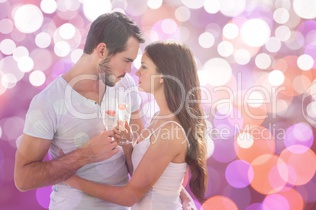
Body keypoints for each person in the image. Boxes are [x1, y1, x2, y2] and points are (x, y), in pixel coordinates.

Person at [14, 12, 146, 209]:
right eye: (126, 60)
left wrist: (128, 143)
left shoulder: (125, 85)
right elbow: (23, 179)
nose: (130, 70)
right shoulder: (48, 102)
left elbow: (142, 163)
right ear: (102, 50)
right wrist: (86, 154)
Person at [64, 41, 208, 209]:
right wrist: (126, 144)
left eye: (144, 67)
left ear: (163, 76)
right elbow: (143, 178)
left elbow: (129, 197)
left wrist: (70, 179)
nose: (137, 72)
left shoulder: (170, 131)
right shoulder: (159, 118)